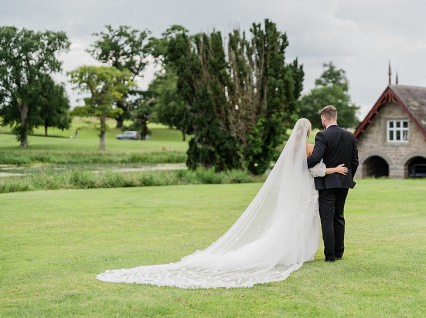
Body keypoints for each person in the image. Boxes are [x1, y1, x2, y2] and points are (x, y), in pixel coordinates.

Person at [97, 118, 346, 289]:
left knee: (291, 220)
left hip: (295, 193)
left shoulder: (289, 148)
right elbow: (314, 170)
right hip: (305, 191)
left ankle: (294, 252)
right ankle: (297, 253)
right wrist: (334, 168)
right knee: (300, 220)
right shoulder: (309, 147)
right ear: (308, 130)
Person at [307, 105, 359, 262]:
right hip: (344, 183)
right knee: (339, 216)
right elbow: (355, 161)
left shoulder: (322, 136)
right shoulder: (350, 136)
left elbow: (315, 159)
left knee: (327, 218)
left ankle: (330, 255)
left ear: (324, 118)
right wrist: (347, 177)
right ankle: (339, 252)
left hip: (327, 184)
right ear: (335, 116)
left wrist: (299, 164)